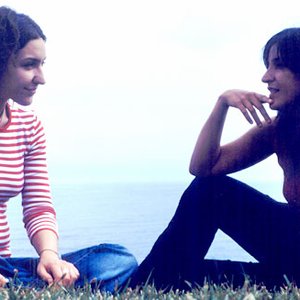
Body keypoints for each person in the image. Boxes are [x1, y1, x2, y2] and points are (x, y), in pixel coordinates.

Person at [1, 5, 300, 292]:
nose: (266, 76)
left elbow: (37, 205)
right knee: (192, 263)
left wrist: (50, 255)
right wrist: (222, 104)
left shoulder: (28, 126)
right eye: (267, 65)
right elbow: (204, 169)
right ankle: (144, 285)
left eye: (279, 65)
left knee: (117, 259)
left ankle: (141, 285)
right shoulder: (278, 129)